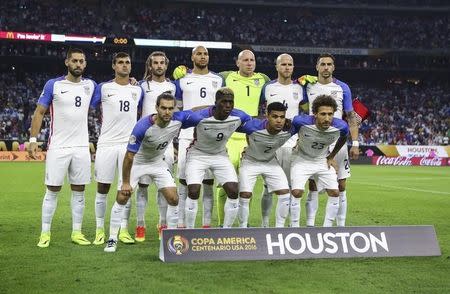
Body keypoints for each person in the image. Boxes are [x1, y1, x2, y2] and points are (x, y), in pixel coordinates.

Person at [104, 93, 191, 253]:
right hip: (137, 162)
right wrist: (125, 182)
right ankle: (112, 239)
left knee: (173, 198)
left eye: (170, 108)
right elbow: (129, 156)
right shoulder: (143, 126)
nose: (167, 112)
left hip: (158, 162)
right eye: (163, 108)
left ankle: (171, 240)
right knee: (122, 197)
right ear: (156, 108)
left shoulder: (179, 120)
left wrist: (214, 108)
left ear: (175, 109)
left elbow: (200, 114)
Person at [30, 48, 96, 247]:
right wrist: (33, 140)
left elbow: (114, 89)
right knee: (52, 190)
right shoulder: (54, 84)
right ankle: (45, 233)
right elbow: (39, 112)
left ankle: (77, 232)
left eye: (81, 61)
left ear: (85, 64)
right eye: (74, 60)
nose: (78, 64)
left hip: (81, 147)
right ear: (67, 62)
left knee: (79, 191)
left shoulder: (91, 86)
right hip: (58, 146)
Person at [91, 52, 144, 246]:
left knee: (126, 188)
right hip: (106, 144)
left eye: (127, 63)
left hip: (128, 145)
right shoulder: (103, 88)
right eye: (120, 62)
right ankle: (99, 230)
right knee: (102, 187)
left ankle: (123, 229)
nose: (124, 65)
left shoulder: (138, 90)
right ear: (114, 65)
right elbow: (90, 106)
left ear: (131, 66)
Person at [301, 53, 360, 227]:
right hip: (314, 140)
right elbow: (301, 109)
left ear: (333, 67)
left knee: (341, 185)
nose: (326, 67)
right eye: (323, 64)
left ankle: (340, 226)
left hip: (338, 141)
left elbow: (351, 116)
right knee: (313, 185)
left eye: (329, 64)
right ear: (317, 67)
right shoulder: (308, 85)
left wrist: (355, 143)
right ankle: (310, 225)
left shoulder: (343, 88)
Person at [183, 87, 251, 228]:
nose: (227, 105)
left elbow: (254, 126)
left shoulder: (239, 116)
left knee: (233, 190)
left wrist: (251, 147)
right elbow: (179, 121)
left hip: (220, 155)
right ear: (216, 103)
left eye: (230, 102)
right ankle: (189, 231)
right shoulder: (199, 117)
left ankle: (226, 230)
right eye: (224, 102)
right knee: (194, 190)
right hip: (198, 154)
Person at [216, 50, 270, 226]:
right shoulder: (226, 77)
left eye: (252, 60)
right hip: (229, 137)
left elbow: (282, 86)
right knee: (226, 183)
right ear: (237, 62)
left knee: (246, 185)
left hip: (250, 137)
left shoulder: (263, 80)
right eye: (245, 60)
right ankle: (222, 224)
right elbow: (205, 78)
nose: (249, 63)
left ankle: (243, 225)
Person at [174, 46, 223, 228]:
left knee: (208, 182)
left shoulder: (218, 79)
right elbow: (176, 105)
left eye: (205, 54)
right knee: (184, 180)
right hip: (187, 135)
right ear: (192, 57)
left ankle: (206, 224)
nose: (203, 57)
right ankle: (181, 223)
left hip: (210, 137)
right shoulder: (183, 79)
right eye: (199, 54)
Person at [290, 95, 349, 227]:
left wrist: (331, 156)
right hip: (301, 159)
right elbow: (287, 134)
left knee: (335, 192)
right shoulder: (300, 122)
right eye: (323, 114)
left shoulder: (341, 126)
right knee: (297, 192)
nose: (327, 118)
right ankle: (294, 227)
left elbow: (344, 138)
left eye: (330, 114)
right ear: (315, 114)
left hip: (321, 160)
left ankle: (327, 228)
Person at [135, 51, 176, 242]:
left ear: (166, 65)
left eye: (162, 63)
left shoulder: (173, 87)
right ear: (149, 66)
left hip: (166, 143)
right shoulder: (141, 86)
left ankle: (162, 223)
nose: (159, 66)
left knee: (164, 187)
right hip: (146, 142)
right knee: (142, 186)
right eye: (155, 63)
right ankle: (140, 225)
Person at [259, 53, 303, 227]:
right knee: (268, 187)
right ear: (276, 67)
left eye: (290, 64)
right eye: (283, 64)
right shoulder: (267, 87)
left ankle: (290, 225)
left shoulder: (300, 88)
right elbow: (258, 111)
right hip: (271, 141)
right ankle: (264, 224)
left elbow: (306, 111)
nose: (287, 67)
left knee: (292, 186)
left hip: (292, 142)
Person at [237, 102, 293, 228]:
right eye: (275, 116)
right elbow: (228, 125)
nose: (279, 120)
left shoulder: (290, 128)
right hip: (250, 161)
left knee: (285, 193)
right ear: (267, 116)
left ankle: (279, 228)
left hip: (270, 162)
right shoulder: (253, 126)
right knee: (245, 194)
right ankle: (242, 228)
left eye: (282, 117)